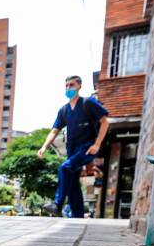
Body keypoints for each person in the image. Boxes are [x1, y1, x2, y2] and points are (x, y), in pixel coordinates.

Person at [37, 75, 109, 218]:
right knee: (73, 182)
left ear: (79, 86)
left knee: (65, 167)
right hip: (72, 150)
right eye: (67, 85)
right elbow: (54, 130)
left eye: (72, 85)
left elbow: (105, 122)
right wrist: (44, 146)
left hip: (88, 148)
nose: (69, 88)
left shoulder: (88, 103)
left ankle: (57, 204)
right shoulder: (63, 110)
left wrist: (97, 144)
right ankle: (78, 216)